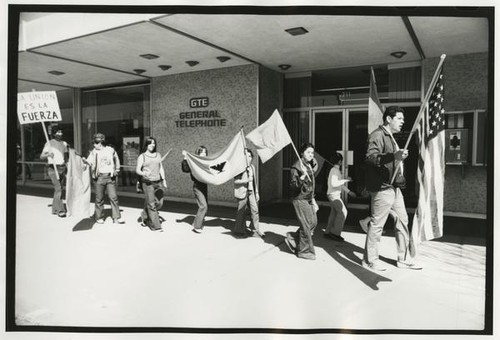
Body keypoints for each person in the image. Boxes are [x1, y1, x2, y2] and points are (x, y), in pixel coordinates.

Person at [362, 106, 421, 271]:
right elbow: (371, 157)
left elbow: (392, 161)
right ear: (389, 119)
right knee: (377, 224)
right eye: (400, 119)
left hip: (394, 188)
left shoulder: (391, 137)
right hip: (382, 188)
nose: (403, 122)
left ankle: (402, 258)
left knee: (402, 220)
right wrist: (394, 156)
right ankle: (369, 260)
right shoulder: (377, 135)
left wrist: (398, 160)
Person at [285, 143, 319, 260]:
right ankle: (304, 251)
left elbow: (311, 185)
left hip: (308, 198)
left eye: (312, 153)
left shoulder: (308, 165)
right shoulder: (296, 166)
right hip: (299, 198)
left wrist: (313, 199)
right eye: (308, 152)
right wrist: (302, 177)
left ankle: (293, 238)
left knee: (313, 222)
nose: (311, 155)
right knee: (306, 224)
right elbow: (293, 185)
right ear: (301, 153)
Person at [85, 133, 125, 224]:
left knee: (113, 197)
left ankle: (116, 217)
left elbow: (116, 159)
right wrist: (84, 162)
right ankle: (99, 217)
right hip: (99, 177)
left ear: (100, 142)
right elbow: (89, 162)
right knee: (99, 198)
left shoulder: (110, 150)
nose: (94, 145)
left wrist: (117, 169)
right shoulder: (93, 152)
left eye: (95, 142)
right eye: (94, 143)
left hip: (110, 177)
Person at [136, 137, 167, 232]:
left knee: (159, 202)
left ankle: (144, 216)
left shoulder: (158, 155)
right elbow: (137, 170)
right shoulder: (142, 156)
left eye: (154, 143)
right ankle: (156, 226)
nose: (152, 145)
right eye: (150, 143)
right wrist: (143, 173)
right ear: (146, 144)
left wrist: (164, 179)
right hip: (147, 182)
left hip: (158, 182)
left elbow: (161, 168)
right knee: (152, 204)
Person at [232, 148, 264, 239]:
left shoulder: (252, 167)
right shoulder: (239, 168)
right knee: (241, 211)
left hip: (252, 192)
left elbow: (255, 181)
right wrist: (245, 180)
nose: (248, 158)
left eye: (250, 156)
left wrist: (257, 192)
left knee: (255, 210)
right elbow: (236, 181)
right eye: (246, 156)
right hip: (242, 192)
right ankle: (239, 230)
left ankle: (255, 230)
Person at [324, 152, 356, 242]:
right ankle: (335, 233)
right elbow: (335, 184)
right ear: (339, 161)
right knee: (343, 212)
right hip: (334, 195)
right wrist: (346, 180)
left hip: (332, 194)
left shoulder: (334, 170)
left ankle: (328, 231)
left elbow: (339, 184)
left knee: (334, 213)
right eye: (341, 161)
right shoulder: (335, 171)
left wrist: (349, 192)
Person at [40, 126, 68, 217]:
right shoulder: (49, 143)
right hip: (53, 168)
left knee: (59, 189)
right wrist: (48, 154)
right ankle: (60, 210)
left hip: (62, 168)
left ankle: (54, 209)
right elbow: (41, 157)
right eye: (58, 132)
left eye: (61, 132)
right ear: (54, 133)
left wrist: (67, 164)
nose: (60, 134)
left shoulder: (64, 143)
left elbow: (66, 156)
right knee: (58, 189)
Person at [182, 146, 209, 234]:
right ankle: (197, 226)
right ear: (198, 153)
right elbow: (185, 169)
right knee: (203, 206)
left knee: (205, 206)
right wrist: (186, 158)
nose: (204, 154)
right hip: (197, 186)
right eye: (202, 152)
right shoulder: (194, 163)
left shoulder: (206, 162)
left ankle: (197, 222)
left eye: (205, 152)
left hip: (204, 185)